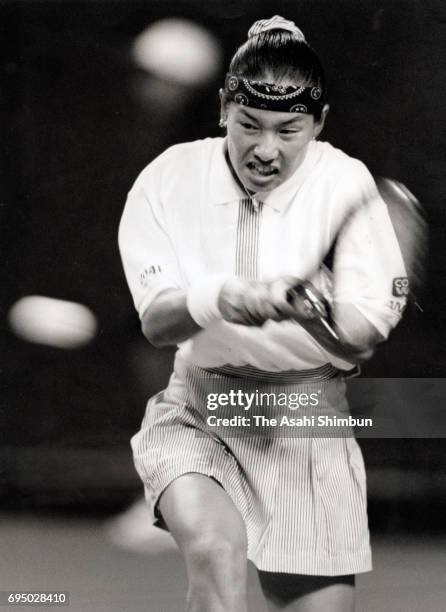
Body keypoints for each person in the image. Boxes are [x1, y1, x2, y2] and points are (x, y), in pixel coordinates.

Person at [118, 15, 408, 612]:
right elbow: (156, 322)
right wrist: (225, 296)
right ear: (224, 108)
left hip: (307, 423)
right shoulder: (167, 178)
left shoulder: (347, 184)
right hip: (199, 411)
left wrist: (313, 312)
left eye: (289, 130)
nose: (266, 150)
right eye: (249, 124)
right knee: (215, 553)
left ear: (319, 123)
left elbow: (360, 336)